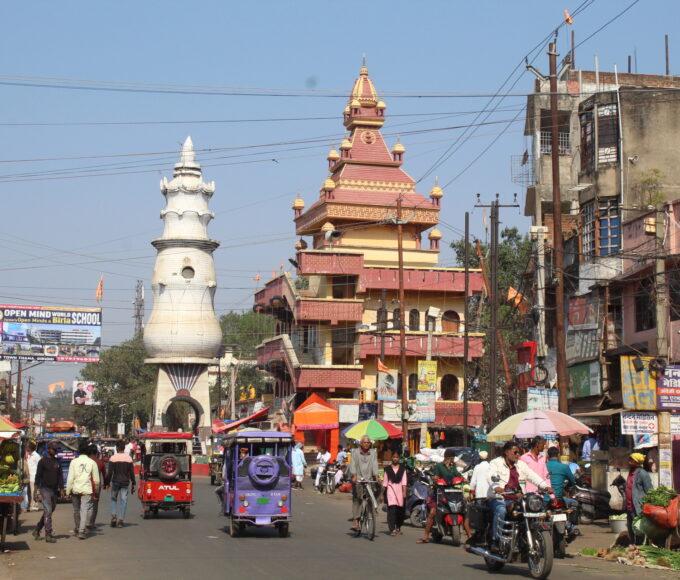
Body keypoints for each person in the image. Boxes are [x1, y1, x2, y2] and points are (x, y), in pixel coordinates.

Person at [487, 442, 552, 550]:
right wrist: (496, 487)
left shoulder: (520, 464)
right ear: (507, 452)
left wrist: (545, 486)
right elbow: (490, 476)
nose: (518, 455)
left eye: (519, 453)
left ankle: (529, 536)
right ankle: (496, 540)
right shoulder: (496, 463)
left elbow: (532, 475)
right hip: (500, 498)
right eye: (515, 452)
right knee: (501, 510)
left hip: (518, 498)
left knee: (535, 509)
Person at [418, 447, 463, 543]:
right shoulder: (439, 466)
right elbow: (435, 476)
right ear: (449, 457)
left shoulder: (453, 466)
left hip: (451, 492)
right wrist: (435, 478)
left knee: (462, 507)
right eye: (453, 457)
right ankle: (426, 535)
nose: (454, 459)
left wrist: (462, 478)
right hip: (438, 492)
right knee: (432, 512)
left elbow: (457, 474)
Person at [33, 441, 65, 543]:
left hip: (54, 490)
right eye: (53, 449)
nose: (55, 451)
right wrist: (35, 490)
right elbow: (37, 476)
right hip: (44, 489)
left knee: (49, 511)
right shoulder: (42, 461)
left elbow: (60, 477)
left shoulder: (58, 462)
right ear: (48, 449)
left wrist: (62, 488)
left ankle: (37, 529)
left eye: (56, 449)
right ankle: (48, 534)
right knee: (48, 511)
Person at [66, 444, 100, 540]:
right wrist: (96, 491)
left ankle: (77, 528)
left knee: (76, 510)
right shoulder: (92, 462)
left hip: (75, 489)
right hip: (87, 489)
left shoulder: (73, 462)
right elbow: (97, 480)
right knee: (84, 509)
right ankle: (81, 531)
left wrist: (68, 491)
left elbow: (70, 478)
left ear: (78, 452)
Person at [349, 436, 379, 532]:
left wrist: (377, 476)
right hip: (358, 479)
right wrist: (354, 475)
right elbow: (353, 464)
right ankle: (356, 522)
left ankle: (373, 510)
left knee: (376, 492)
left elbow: (375, 464)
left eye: (368, 442)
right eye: (364, 442)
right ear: (361, 443)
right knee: (357, 499)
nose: (366, 444)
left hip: (369, 478)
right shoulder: (355, 452)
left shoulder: (373, 453)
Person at [546, 447, 578, 534]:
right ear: (558, 455)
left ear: (548, 456)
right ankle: (571, 526)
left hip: (544, 499)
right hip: (558, 498)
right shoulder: (564, 467)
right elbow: (572, 481)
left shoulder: (544, 466)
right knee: (574, 503)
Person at [105, 440, 136, 528]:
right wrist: (134, 483)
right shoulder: (129, 458)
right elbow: (132, 473)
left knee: (113, 499)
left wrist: (107, 483)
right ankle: (121, 520)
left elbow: (110, 472)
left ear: (117, 448)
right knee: (124, 501)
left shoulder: (113, 458)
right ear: (124, 447)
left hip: (115, 482)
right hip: (125, 482)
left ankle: (114, 515)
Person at [626, 452, 653, 545]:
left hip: (637, 507)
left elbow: (650, 490)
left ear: (637, 462)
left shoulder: (643, 474)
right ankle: (633, 547)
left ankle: (639, 549)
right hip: (629, 507)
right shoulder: (631, 472)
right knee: (631, 530)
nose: (629, 462)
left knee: (638, 530)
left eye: (631, 460)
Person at [382, 450, 407, 536]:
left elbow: (404, 482)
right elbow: (385, 482)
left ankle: (398, 526)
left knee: (400, 510)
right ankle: (392, 529)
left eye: (397, 457)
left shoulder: (402, 469)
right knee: (391, 510)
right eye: (394, 457)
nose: (395, 459)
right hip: (391, 490)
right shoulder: (388, 469)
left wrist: (404, 492)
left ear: (399, 459)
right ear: (392, 458)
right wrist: (382, 494)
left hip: (399, 491)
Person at [87, 445, 106, 530]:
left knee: (85, 504)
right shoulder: (100, 462)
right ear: (96, 452)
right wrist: (106, 484)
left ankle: (84, 522)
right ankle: (92, 522)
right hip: (96, 486)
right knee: (95, 505)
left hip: (85, 485)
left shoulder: (86, 462)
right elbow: (104, 475)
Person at [25, 442, 41, 512]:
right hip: (29, 476)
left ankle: (34, 506)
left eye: (27, 447)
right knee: (30, 492)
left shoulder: (36, 455)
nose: (26, 449)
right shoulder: (28, 455)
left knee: (33, 492)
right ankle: (31, 505)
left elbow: (40, 466)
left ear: (30, 447)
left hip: (34, 476)